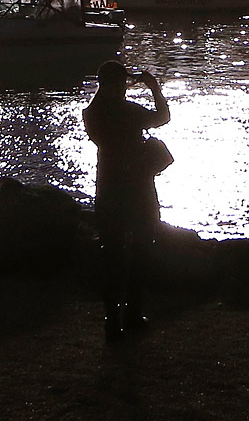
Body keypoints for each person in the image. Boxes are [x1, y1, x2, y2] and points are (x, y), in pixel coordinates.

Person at [83, 60, 169, 341]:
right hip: (137, 187)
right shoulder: (129, 112)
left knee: (114, 253)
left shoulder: (92, 114)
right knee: (139, 249)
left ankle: (114, 318)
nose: (123, 88)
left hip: (109, 187)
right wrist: (154, 87)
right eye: (121, 83)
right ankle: (130, 313)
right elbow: (162, 117)